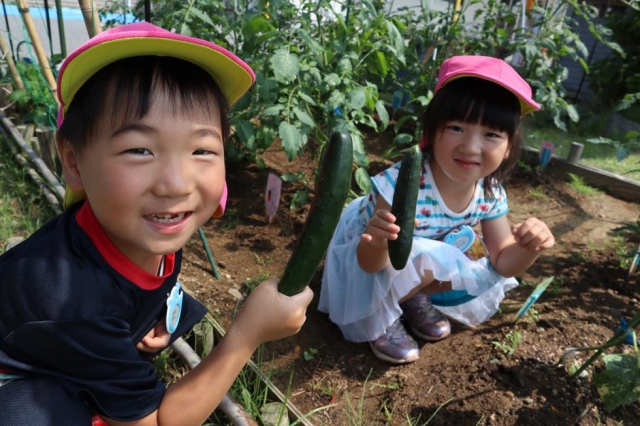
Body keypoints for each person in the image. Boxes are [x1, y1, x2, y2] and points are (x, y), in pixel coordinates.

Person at [0, 22, 313, 425]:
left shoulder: (140, 227)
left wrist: (147, 321)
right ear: (74, 161)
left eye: (201, 149)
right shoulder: (73, 299)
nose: (177, 184)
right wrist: (245, 335)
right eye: (139, 149)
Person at [319, 55, 555, 364]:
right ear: (433, 130)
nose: (471, 147)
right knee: (414, 255)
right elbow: (369, 265)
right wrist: (377, 243)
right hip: (372, 258)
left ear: (510, 145)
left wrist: (530, 247)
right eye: (456, 127)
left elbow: (502, 261)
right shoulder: (403, 187)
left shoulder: (490, 192)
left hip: (416, 258)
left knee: (477, 265)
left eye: (491, 134)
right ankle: (383, 315)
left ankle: (413, 296)